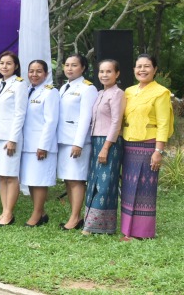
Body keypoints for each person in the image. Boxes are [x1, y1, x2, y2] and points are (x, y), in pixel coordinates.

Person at [121, 54, 172, 240]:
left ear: (155, 69)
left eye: (147, 66)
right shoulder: (128, 91)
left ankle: (142, 232)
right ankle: (127, 230)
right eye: (139, 66)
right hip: (128, 143)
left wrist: (158, 151)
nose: (142, 70)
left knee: (144, 188)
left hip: (148, 145)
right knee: (127, 187)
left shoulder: (161, 92)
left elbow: (163, 123)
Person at [82, 59, 125, 235]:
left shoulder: (118, 94)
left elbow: (116, 122)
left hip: (110, 143)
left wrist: (106, 147)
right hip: (96, 140)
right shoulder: (100, 93)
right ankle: (95, 224)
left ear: (117, 74)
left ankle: (95, 225)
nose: (104, 75)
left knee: (105, 183)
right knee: (94, 181)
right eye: (101, 71)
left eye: (109, 71)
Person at [0, 51, 28, 226]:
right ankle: (4, 210)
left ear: (16, 66)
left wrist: (13, 139)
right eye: (2, 63)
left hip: (9, 138)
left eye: (9, 63)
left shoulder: (19, 85)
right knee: (1, 176)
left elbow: (20, 114)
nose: (4, 66)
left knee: (10, 176)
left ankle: (9, 213)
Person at [57, 54, 97, 230]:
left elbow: (86, 117)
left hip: (76, 141)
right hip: (63, 139)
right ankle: (75, 216)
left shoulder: (88, 88)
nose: (69, 68)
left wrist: (78, 143)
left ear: (83, 68)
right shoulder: (64, 87)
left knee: (77, 180)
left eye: (74, 65)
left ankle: (75, 218)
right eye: (67, 65)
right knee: (68, 179)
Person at [20, 60, 59, 227]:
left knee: (40, 180)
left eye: (38, 71)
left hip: (41, 145)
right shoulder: (27, 90)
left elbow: (51, 121)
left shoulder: (50, 92)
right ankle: (41, 213)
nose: (34, 75)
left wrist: (43, 145)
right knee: (30, 180)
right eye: (31, 71)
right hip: (26, 144)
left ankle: (36, 215)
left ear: (46, 74)